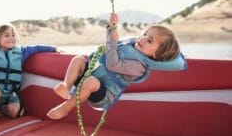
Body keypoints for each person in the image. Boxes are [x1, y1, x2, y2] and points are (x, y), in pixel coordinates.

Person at [47, 13, 186, 119]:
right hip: (92, 76)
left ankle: (65, 108)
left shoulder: (139, 67)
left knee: (91, 82)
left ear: (156, 55)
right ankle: (66, 87)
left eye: (149, 40)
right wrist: (111, 29)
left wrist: (112, 42)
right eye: (144, 34)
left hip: (102, 94)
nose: (143, 38)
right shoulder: (131, 46)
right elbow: (111, 46)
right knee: (78, 60)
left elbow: (112, 64)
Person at [0, 24, 57, 118]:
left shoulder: (21, 52)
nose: (11, 38)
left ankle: (3, 109)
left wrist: (54, 49)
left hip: (10, 93)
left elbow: (36, 48)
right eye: (7, 35)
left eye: (13, 35)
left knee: (14, 113)